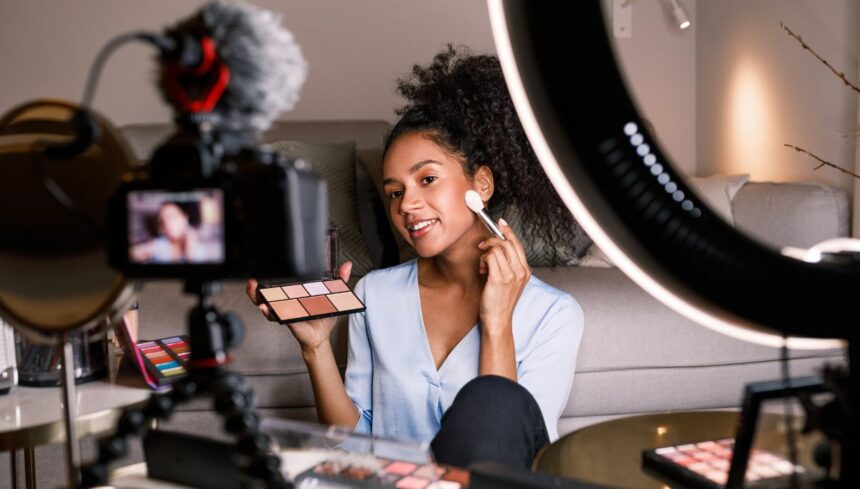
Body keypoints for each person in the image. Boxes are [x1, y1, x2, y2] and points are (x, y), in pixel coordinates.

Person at [246, 46, 584, 469]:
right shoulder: (376, 293)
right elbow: (353, 443)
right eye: (395, 192)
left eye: (427, 179)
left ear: (481, 184)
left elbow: (507, 448)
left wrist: (496, 323)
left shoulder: (553, 315)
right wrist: (315, 349)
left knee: (493, 401)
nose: (408, 204)